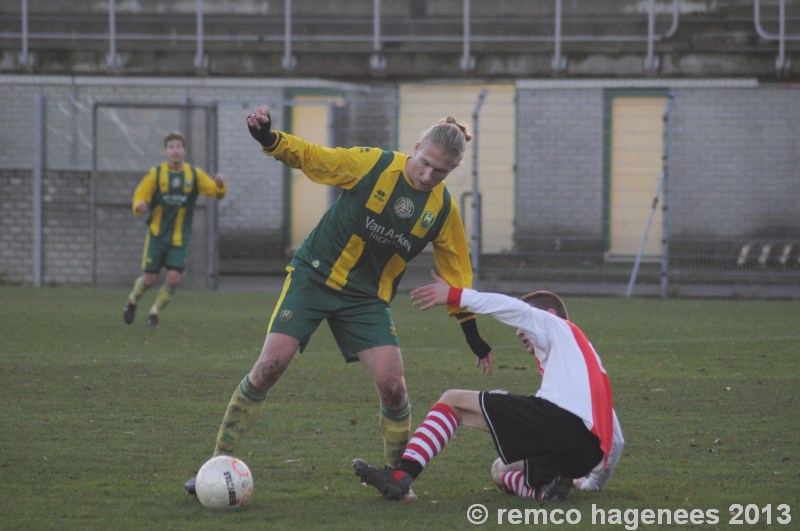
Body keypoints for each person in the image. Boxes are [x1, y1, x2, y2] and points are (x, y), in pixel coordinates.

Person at [185, 106, 494, 495]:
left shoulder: (443, 209)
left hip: (366, 299)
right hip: (314, 275)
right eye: (426, 163)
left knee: (394, 387)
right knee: (268, 366)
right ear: (416, 147)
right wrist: (269, 139)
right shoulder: (375, 164)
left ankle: (397, 479)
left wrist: (472, 333)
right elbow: (317, 159)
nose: (429, 175)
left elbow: (457, 271)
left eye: (441, 172)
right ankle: (214, 465)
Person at [353, 271, 623, 501]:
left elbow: (511, 308)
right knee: (500, 471)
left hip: (558, 426)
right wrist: (592, 484)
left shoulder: (553, 323)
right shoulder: (588, 363)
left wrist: (456, 296)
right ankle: (546, 493)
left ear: (549, 315)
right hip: (585, 454)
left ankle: (401, 476)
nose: (518, 332)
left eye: (522, 325)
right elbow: (617, 440)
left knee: (452, 400)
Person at [123, 130, 227, 327]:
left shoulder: (193, 175)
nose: (175, 151)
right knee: (150, 279)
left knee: (173, 278)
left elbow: (215, 193)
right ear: (166, 151)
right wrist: (139, 206)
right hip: (156, 235)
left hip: (179, 239)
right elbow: (140, 195)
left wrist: (220, 185)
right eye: (171, 147)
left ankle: (154, 313)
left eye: (178, 147)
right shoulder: (157, 174)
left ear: (184, 150)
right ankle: (133, 301)